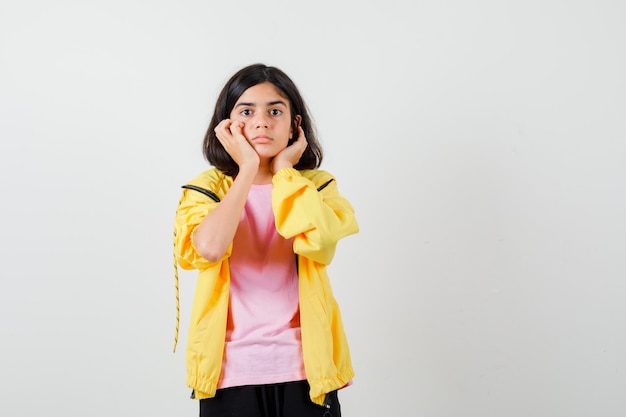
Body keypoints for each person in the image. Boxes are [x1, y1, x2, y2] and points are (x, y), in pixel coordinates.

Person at [173, 63, 359, 417]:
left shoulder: (316, 185)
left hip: (308, 370)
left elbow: (319, 243)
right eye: (247, 111)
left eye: (275, 111)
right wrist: (245, 170)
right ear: (227, 125)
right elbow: (208, 249)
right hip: (229, 373)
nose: (262, 121)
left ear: (294, 125)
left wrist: (285, 174)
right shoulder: (206, 189)